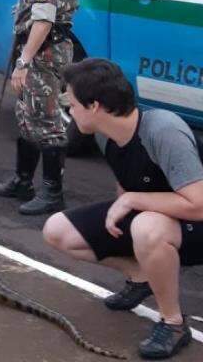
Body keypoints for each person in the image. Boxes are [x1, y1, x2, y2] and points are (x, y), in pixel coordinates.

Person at [43, 59, 203, 360]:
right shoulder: (107, 135)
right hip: (160, 219)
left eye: (72, 102)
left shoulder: (163, 130)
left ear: (94, 106)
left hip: (194, 223)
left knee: (146, 228)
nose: (69, 110)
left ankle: (174, 324)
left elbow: (198, 205)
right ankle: (141, 277)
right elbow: (126, 185)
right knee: (57, 230)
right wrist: (124, 206)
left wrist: (131, 202)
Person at [0, 0, 79, 216]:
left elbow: (43, 18)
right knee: (28, 113)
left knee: (47, 120)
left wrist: (24, 60)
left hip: (43, 52)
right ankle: (23, 181)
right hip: (50, 48)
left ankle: (53, 193)